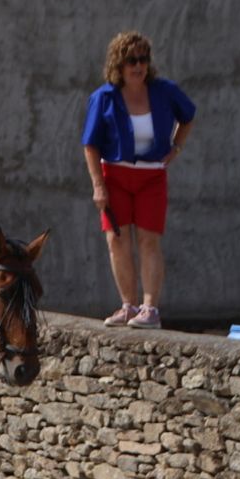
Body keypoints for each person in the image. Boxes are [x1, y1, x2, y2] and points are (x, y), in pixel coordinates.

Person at [81, 31, 196, 330]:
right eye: (131, 60)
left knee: (149, 241)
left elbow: (188, 115)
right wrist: (97, 185)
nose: (138, 66)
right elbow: (90, 144)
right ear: (119, 64)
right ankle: (128, 306)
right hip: (114, 175)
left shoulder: (163, 91)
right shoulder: (103, 97)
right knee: (117, 240)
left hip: (151, 176)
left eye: (143, 59)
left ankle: (150, 308)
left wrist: (176, 148)